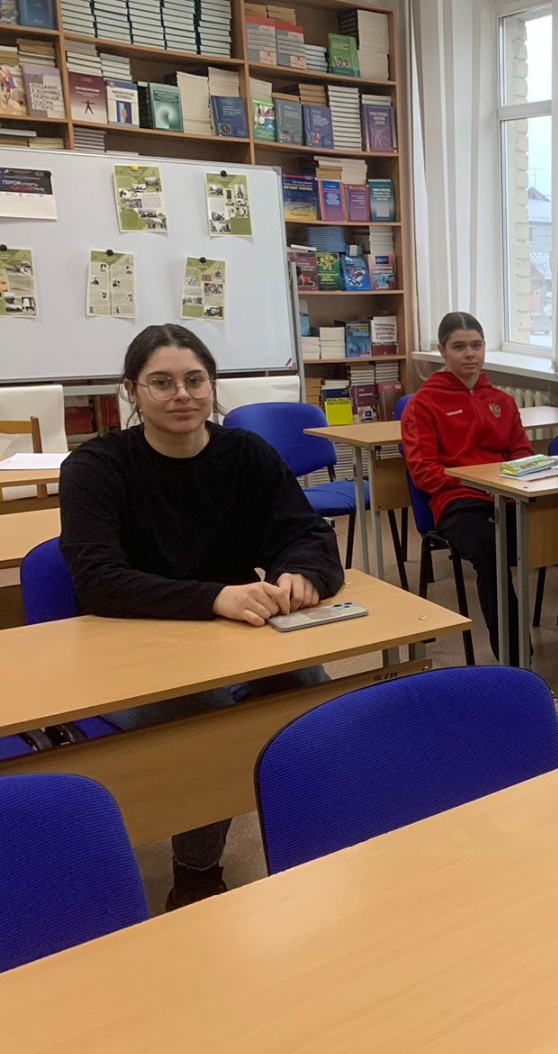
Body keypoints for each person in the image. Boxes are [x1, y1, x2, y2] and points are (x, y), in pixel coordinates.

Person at [59, 324, 344, 910]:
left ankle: (314, 850)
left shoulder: (245, 454)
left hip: (234, 639)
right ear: (132, 391)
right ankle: (194, 876)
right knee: (208, 717)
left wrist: (301, 572)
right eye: (161, 383)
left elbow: (307, 532)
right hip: (130, 651)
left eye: (194, 380)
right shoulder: (96, 467)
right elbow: (99, 580)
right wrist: (215, 597)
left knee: (308, 690)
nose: (182, 395)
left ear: (212, 385)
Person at [401, 312, 558, 711]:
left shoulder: (501, 401)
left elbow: (521, 454)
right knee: (492, 558)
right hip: (460, 504)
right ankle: (521, 674)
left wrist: (524, 475)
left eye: (476, 345)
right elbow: (424, 471)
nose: (469, 354)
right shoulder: (423, 404)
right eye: (459, 347)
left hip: (511, 498)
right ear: (442, 351)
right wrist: (479, 483)